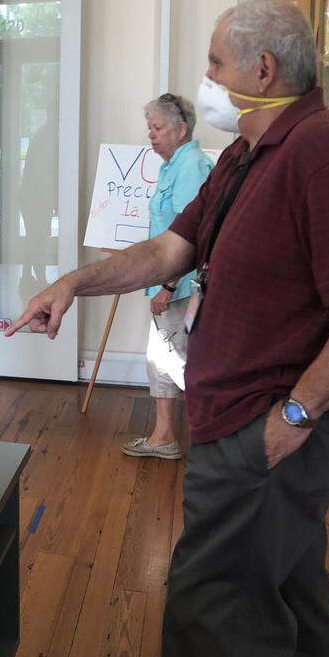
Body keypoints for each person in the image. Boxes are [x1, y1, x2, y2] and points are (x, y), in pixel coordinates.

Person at [6, 0, 329, 657]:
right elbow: (171, 250)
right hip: (235, 419)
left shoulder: (321, 149)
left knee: (215, 612)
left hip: (267, 431)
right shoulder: (244, 155)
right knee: (287, 595)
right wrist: (73, 283)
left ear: (261, 69)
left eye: (214, 63)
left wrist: (297, 411)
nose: (205, 78)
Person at [121, 93, 212, 461]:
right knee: (162, 359)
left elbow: (192, 236)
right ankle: (165, 435)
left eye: (157, 128)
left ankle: (174, 438)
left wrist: (168, 285)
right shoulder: (173, 165)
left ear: (181, 128)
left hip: (178, 286)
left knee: (173, 361)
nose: (151, 135)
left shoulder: (191, 167)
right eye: (150, 128)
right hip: (168, 283)